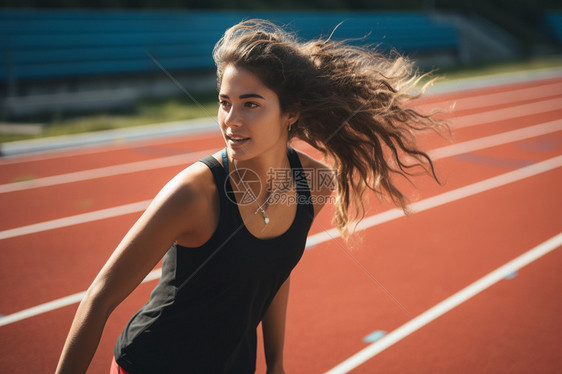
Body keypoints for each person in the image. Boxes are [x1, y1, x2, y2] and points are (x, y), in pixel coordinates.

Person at [56, 19, 444, 373]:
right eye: (225, 102)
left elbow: (274, 270)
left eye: (251, 104)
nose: (231, 120)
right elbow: (99, 297)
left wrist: (275, 362)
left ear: (290, 112)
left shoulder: (315, 181)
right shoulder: (194, 193)